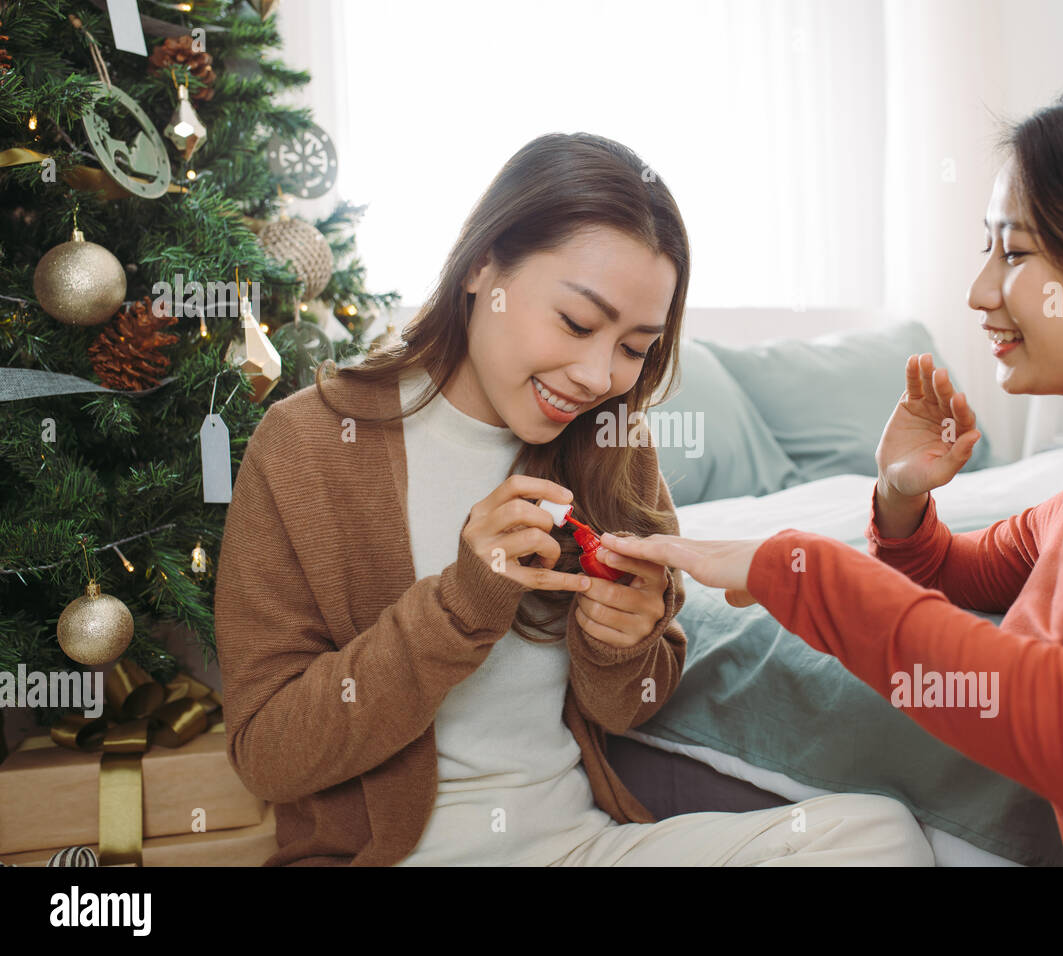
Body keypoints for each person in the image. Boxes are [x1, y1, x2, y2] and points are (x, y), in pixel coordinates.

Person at [598, 79, 1063, 866]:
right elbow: (948, 578)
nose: (979, 292)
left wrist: (796, 567)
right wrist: (900, 493)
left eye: (1016, 250)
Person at [214, 132, 934, 866]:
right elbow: (269, 754)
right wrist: (458, 607)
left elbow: (632, 703)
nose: (598, 376)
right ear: (482, 268)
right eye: (578, 323)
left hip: (577, 847)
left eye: (634, 348)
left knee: (878, 837)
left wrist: (622, 645)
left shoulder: (612, 439)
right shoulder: (308, 442)